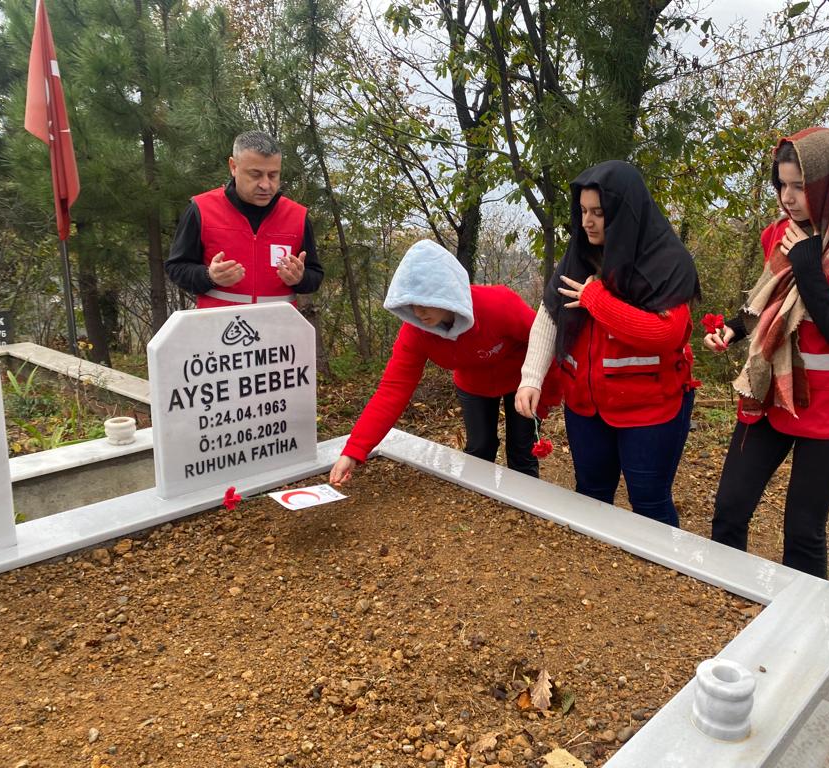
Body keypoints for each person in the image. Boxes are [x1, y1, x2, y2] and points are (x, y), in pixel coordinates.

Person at [703, 126, 829, 579]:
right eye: (782, 185)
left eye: (800, 186)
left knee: (803, 528)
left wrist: (809, 262)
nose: (788, 198)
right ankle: (727, 599)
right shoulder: (782, 232)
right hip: (772, 392)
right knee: (730, 506)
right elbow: (769, 301)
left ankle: (805, 617)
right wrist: (734, 330)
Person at [515, 160, 700, 528]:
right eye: (583, 211)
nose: (588, 222)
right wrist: (531, 378)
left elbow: (666, 334)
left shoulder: (666, 262)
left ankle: (656, 565)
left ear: (624, 212)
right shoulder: (579, 253)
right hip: (587, 407)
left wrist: (597, 300)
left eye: (598, 213)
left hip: (650, 409)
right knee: (591, 497)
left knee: (649, 503)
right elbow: (550, 313)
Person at [329, 239, 561, 485]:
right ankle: (480, 502)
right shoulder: (415, 333)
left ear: (446, 293)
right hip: (473, 385)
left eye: (425, 303)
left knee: (521, 448)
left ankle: (524, 501)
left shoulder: (498, 304)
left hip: (522, 381)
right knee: (480, 448)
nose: (418, 312)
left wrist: (546, 399)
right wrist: (354, 450)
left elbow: (546, 344)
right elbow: (392, 389)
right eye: (412, 304)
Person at [165, 130, 324, 308]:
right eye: (255, 175)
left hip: (278, 323)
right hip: (221, 324)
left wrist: (300, 278)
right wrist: (209, 275)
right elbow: (176, 268)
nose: (265, 185)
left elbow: (315, 275)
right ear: (233, 167)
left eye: (273, 175)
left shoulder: (297, 216)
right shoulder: (201, 209)